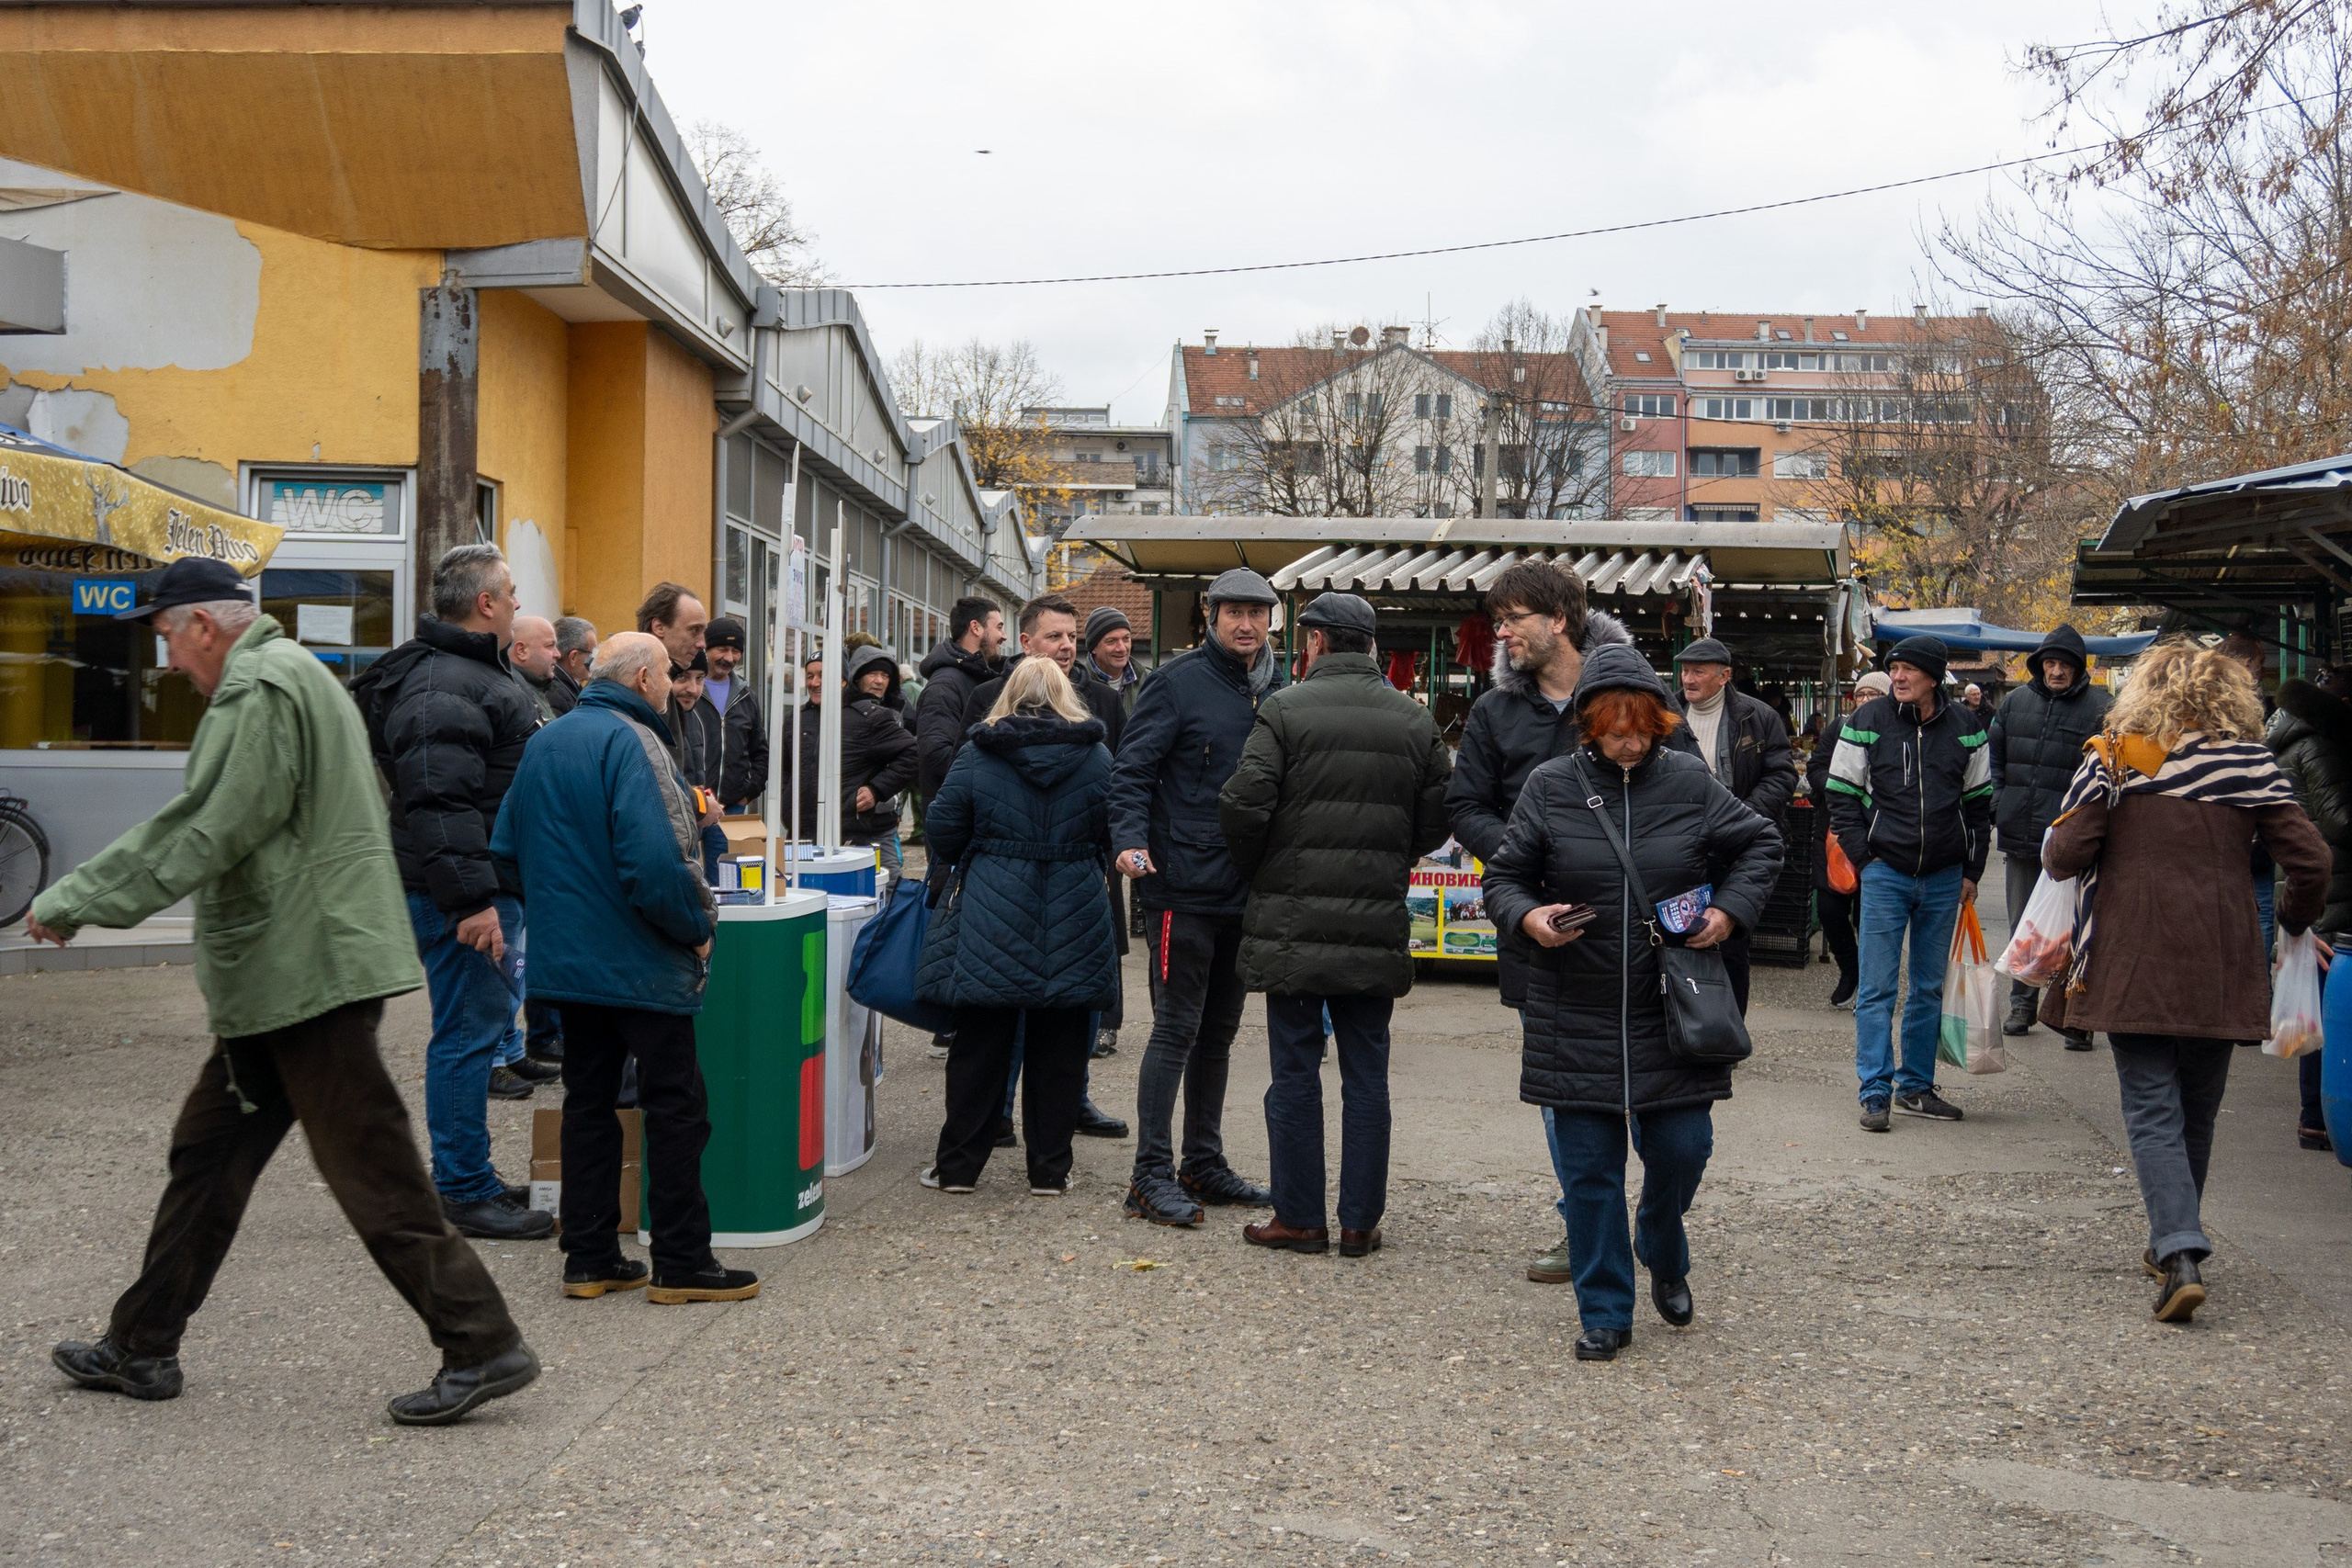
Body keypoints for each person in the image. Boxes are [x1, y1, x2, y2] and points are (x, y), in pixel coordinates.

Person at [34, 558, 537, 1425]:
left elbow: (206, 824)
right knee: (207, 1158)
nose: (167, 662)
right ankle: (142, 1342)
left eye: (167, 639)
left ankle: (480, 1340)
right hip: (285, 969)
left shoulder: (259, 686)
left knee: (373, 1169)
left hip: (308, 971)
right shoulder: (292, 672)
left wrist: (75, 898)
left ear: (203, 625)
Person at [1482, 643, 1781, 1361]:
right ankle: (1606, 1310)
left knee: (1683, 1149)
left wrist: (1729, 912)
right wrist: (1528, 916)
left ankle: (1660, 1238)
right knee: (1590, 1174)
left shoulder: (1689, 781)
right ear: (1590, 724)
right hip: (1573, 1007)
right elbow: (1503, 877)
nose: (1630, 743)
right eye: (1616, 730)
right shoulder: (1551, 785)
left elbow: (1761, 843)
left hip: (1671, 1008)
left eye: (1642, 728)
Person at [2038, 640, 2327, 1322]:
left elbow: (2064, 855)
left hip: (2132, 955)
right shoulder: (2249, 761)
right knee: (2195, 1107)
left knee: (2151, 1106)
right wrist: (2292, 921)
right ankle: (2173, 1241)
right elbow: (2311, 861)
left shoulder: (2120, 754)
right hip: (2222, 959)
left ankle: (2178, 1249)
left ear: (2144, 690)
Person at [1443, 558, 1691, 1287]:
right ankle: (1584, 1224)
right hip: (1542, 931)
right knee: (1567, 1094)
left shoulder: (1636, 694)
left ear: (1558, 619)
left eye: (1513, 619)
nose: (1502, 633)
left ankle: (1656, 1217)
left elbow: (1692, 798)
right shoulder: (1495, 712)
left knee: (1663, 1105)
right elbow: (1465, 806)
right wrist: (1527, 854)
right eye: (1498, 622)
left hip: (1642, 936)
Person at [492, 633, 758, 1304]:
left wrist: (560, 915)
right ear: (643, 678)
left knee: (588, 1103)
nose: (673, 684)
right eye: (667, 673)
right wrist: (697, 929)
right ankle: (681, 1261)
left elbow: (506, 848)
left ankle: (589, 1257)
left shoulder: (547, 740)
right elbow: (658, 861)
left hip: (570, 963)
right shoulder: (636, 742)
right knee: (676, 1107)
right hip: (641, 961)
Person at [1217, 592, 1453, 1257]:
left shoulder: (1284, 710)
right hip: (1375, 921)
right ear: (1370, 645)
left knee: (1294, 1071)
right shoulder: (1414, 719)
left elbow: (1242, 802)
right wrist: (1395, 855)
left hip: (1292, 922)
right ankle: (1358, 1222)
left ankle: (1299, 1218)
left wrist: (1260, 868)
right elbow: (1440, 815)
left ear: (1316, 641)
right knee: (1366, 1075)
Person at [350, 544, 554, 1239]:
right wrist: (472, 903)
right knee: (467, 1037)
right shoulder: (445, 684)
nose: (519, 603)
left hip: (485, 885)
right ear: (486, 603)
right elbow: (440, 801)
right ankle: (464, 1189)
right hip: (467, 896)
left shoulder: (471, 672)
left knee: (476, 1031)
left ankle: (472, 1176)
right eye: (512, 592)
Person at [1110, 566, 1286, 1225]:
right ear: (1211, 618)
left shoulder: (1279, 690)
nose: (1246, 623)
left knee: (1219, 1033)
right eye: (1233, 612)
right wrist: (1129, 841)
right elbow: (1132, 771)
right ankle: (1149, 1175)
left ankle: (1202, 1162)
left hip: (1244, 889)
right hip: (1180, 885)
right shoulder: (1176, 683)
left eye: (1257, 612)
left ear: (1271, 621)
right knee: (1176, 1029)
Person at [915, 658, 1117, 1196]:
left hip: (992, 908)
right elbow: (1112, 827)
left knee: (980, 1045)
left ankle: (958, 1169)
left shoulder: (979, 752)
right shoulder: (1096, 756)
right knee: (1062, 1047)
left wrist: (983, 851)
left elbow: (943, 826)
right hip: (1075, 907)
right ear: (1066, 697)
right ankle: (1050, 1172)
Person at [964, 593, 1131, 1140]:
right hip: (1006, 881)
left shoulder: (1102, 701)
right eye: (1054, 636)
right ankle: (1000, 1110)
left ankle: (1071, 1100)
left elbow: (1122, 786)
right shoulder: (989, 697)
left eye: (1071, 637)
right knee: (1008, 999)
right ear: (1025, 641)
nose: (1065, 647)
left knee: (1078, 998)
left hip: (1080, 876)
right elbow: (962, 784)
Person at [1826, 635, 1993, 1133]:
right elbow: (1840, 793)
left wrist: (1972, 870)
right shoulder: (1866, 721)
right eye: (1893, 668)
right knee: (1876, 989)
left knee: (1928, 988)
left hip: (1944, 876)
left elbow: (1979, 805)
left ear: (1934, 677)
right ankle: (1875, 1091)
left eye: (1907, 670)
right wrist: (1865, 858)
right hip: (1886, 873)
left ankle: (1915, 1087)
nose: (1896, 677)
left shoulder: (1967, 728)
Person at [1986, 625, 2110, 1047]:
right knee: (2024, 924)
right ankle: (2022, 1005)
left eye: (2065, 665)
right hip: (2022, 833)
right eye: (2050, 663)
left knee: (2079, 928)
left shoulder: (2101, 708)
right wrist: (1999, 802)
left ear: (2079, 668)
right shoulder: (2016, 702)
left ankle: (2077, 1019)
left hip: (2075, 840)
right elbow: (1995, 756)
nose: (2057, 671)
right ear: (2039, 665)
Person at [1670, 637, 1794, 1014]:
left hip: (1736, 850)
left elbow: (1782, 775)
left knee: (1731, 945)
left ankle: (1729, 1026)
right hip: (1680, 847)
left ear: (1724, 676)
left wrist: (1741, 818)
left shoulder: (1758, 717)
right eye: (1685, 671)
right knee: (1678, 941)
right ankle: (1685, 1024)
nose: (1688, 679)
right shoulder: (1667, 714)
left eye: (1698, 672)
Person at [913, 597, 1008, 1059]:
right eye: (998, 626)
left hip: (974, 821)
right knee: (953, 921)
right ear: (975, 628)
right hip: (956, 826)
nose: (1003, 636)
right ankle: (946, 1023)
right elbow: (935, 753)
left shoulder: (978, 677)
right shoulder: (946, 685)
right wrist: (984, 778)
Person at [2266, 664, 2352, 1153]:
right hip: (2333, 888)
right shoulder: (2320, 745)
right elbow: (2341, 820)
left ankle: (2315, 1118)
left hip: (2311, 885)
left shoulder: (2292, 739)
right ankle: (2318, 1117)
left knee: (2320, 1009)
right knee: (2329, 1010)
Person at [1807, 671, 1891, 1008]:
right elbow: (1815, 768)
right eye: (1860, 695)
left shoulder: (1894, 731)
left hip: (1877, 834)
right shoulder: (1839, 727)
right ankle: (1850, 969)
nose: (1865, 700)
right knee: (1829, 909)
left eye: (1873, 694)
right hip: (1835, 831)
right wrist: (1840, 786)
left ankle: (1869, 985)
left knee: (1868, 915)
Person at [842, 642, 919, 884]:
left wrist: (880, 790)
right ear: (857, 676)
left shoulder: (897, 711)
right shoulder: (841, 712)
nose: (879, 681)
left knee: (891, 881)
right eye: (873, 674)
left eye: (885, 675)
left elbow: (911, 755)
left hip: (883, 821)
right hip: (846, 820)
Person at [704, 615, 770, 811]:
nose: (729, 658)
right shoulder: (689, 693)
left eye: (735, 651)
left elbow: (760, 752)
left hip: (733, 809)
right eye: (722, 649)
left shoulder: (746, 696)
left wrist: (748, 793)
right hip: (693, 807)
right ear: (705, 648)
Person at [1083, 605, 1144, 715]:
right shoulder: (1078, 684)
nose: (1121, 648)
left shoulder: (1148, 680)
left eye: (1126, 639)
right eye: (1111, 641)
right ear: (1094, 648)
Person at [510, 614, 573, 718]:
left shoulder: (541, 687)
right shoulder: (512, 695)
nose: (558, 654)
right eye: (550, 646)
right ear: (521, 651)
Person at [554, 615, 598, 693]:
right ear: (573, 657)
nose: (595, 660)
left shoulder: (562, 688)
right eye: (592, 654)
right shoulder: (559, 694)